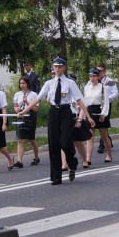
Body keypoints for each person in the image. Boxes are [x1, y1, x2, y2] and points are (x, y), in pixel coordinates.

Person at [20, 57, 93, 186]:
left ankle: (72, 162)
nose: (57, 69)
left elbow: (79, 99)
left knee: (65, 142)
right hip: (53, 112)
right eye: (55, 67)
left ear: (64, 67)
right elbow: (38, 98)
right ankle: (56, 176)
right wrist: (25, 111)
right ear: (53, 68)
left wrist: (88, 116)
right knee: (53, 145)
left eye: (60, 66)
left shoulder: (70, 83)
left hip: (66, 112)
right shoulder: (49, 83)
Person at [81, 68, 111, 165]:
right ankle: (88, 158)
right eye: (90, 76)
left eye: (94, 76)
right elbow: (85, 102)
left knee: (104, 136)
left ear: (98, 77)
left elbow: (106, 102)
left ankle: (109, 154)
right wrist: (86, 115)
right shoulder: (86, 88)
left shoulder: (103, 87)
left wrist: (103, 114)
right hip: (90, 112)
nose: (92, 78)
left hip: (100, 110)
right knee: (90, 137)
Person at [12, 76, 40, 168]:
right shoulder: (17, 94)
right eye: (20, 83)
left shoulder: (33, 94)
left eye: (24, 83)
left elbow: (35, 109)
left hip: (30, 117)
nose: (22, 85)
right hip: (21, 117)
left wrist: (27, 103)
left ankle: (36, 157)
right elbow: (15, 106)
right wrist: (17, 109)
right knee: (20, 139)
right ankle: (19, 161)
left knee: (31, 139)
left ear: (28, 84)